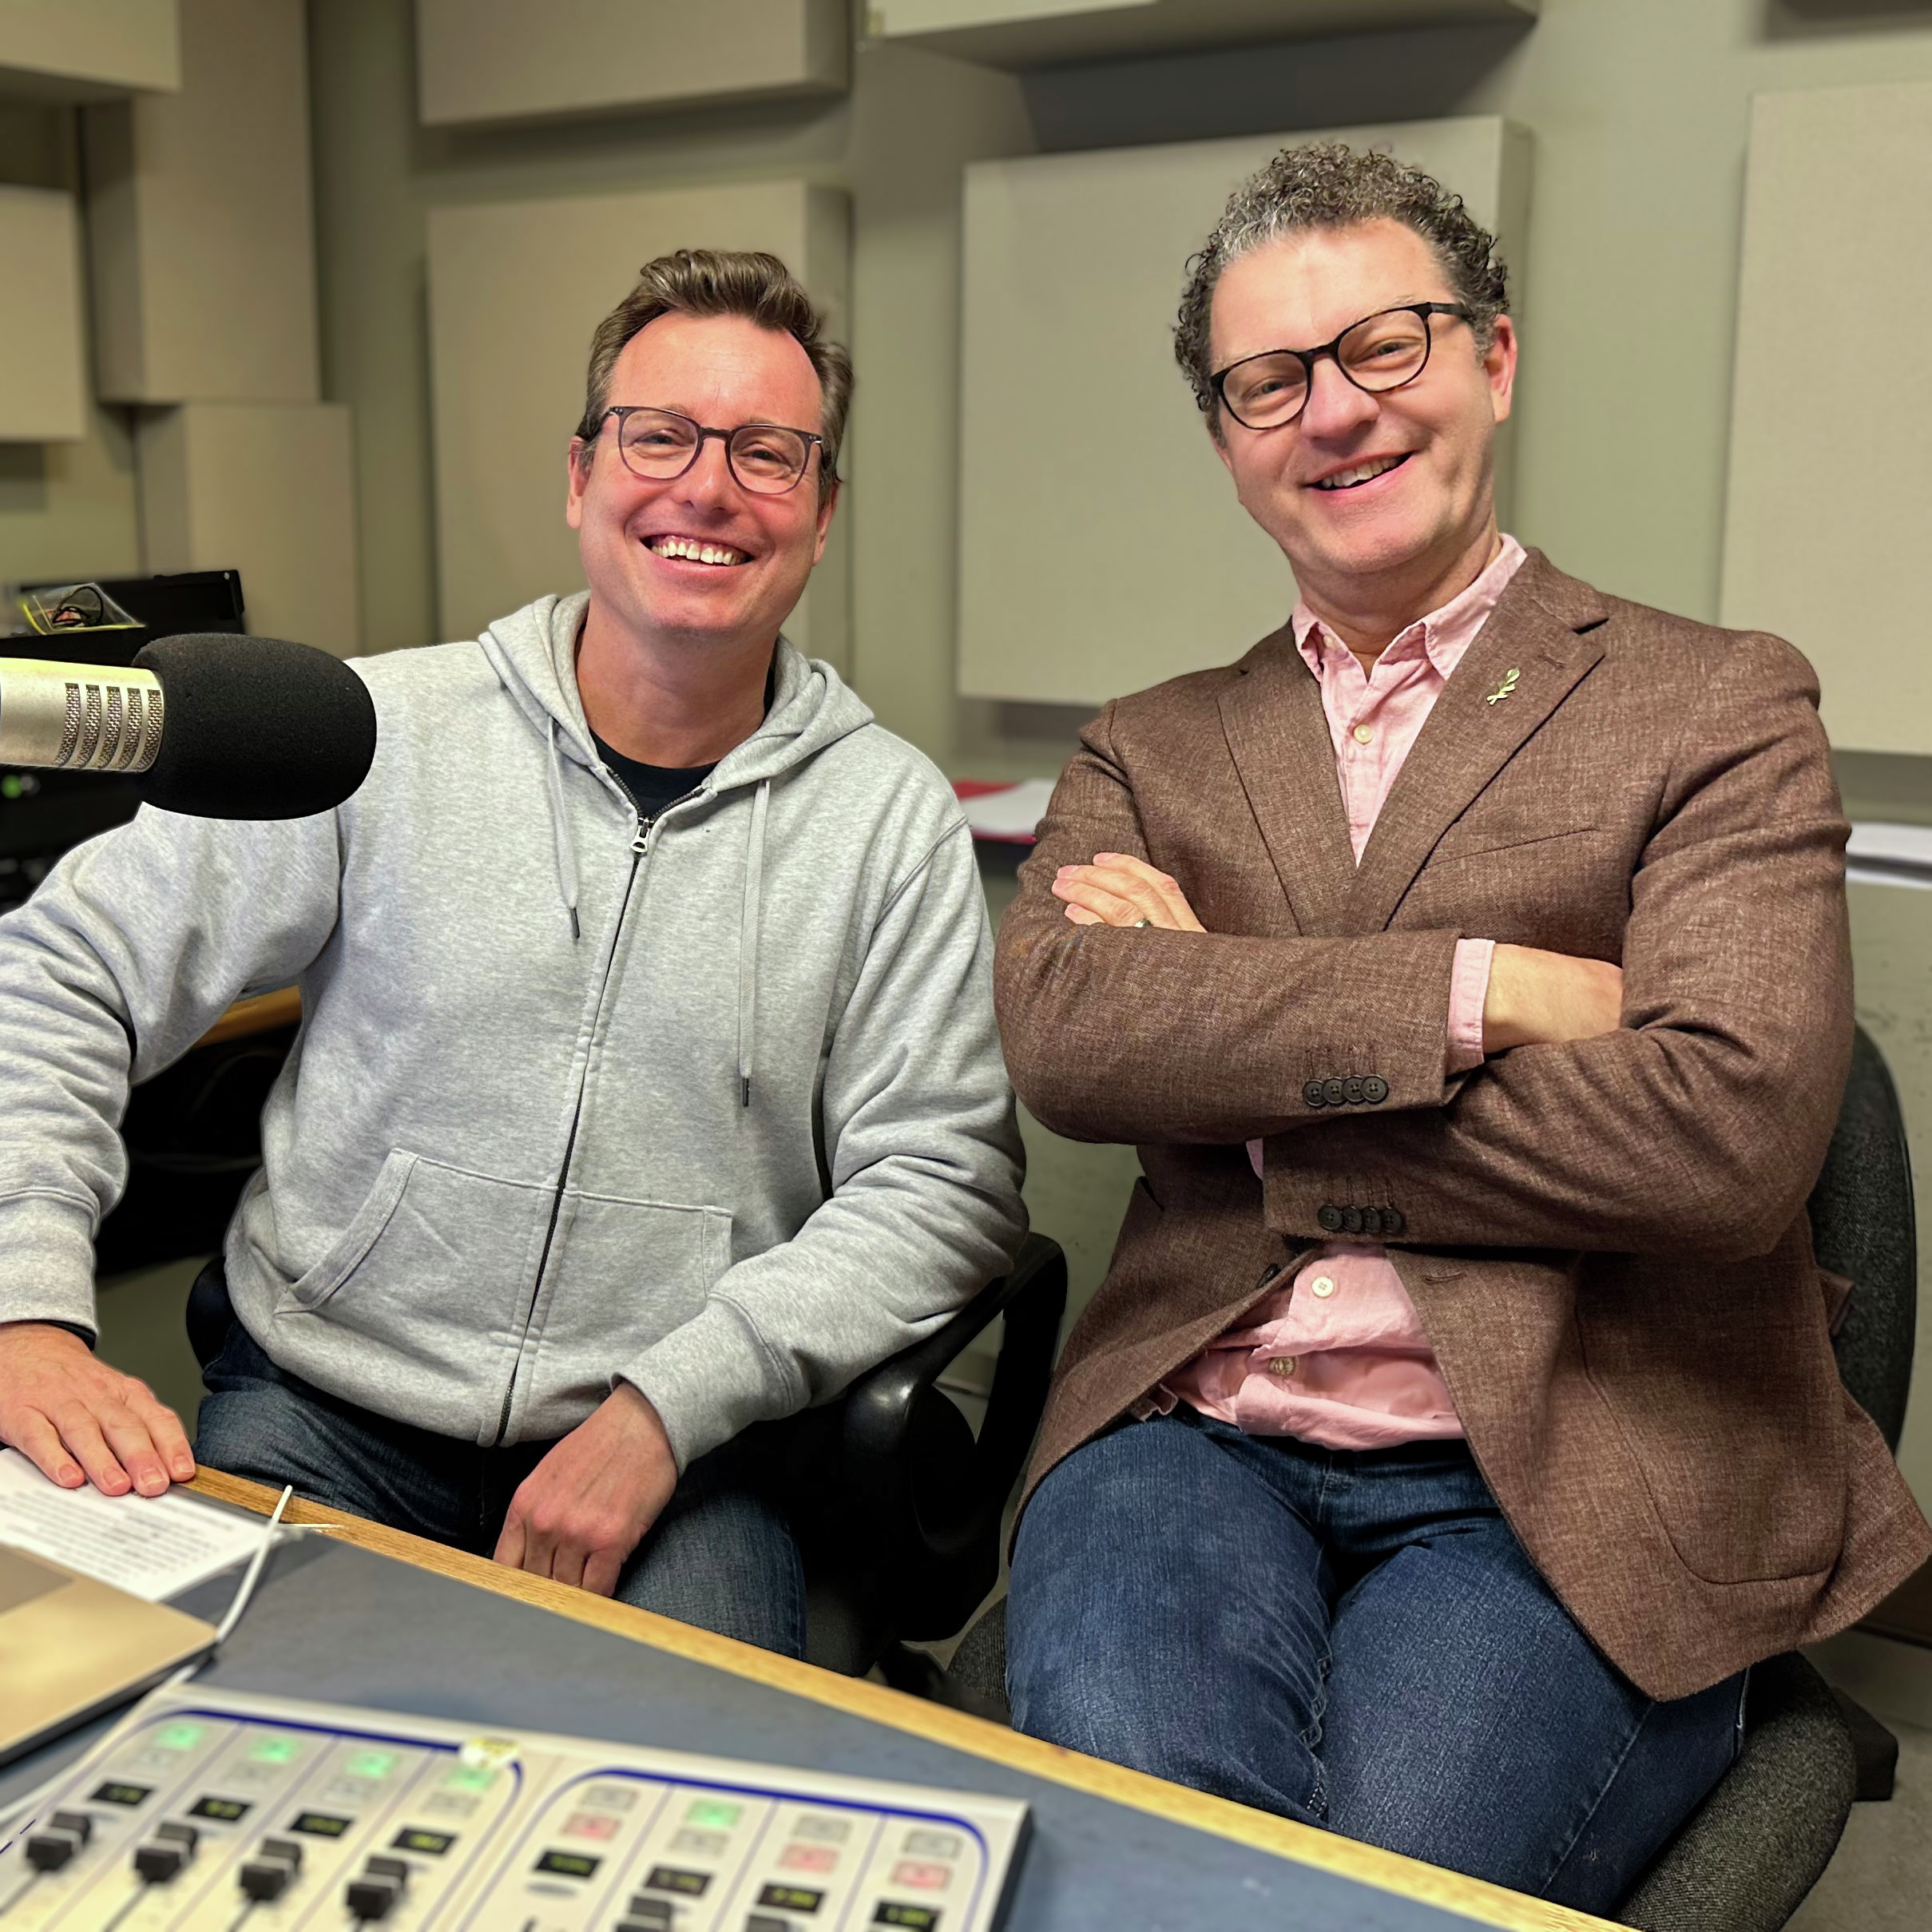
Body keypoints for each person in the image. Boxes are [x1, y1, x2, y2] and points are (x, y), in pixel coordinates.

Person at [993, 145, 1930, 1912]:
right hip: (1192, 1429)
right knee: (1150, 1830)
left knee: (1380, 1885)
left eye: (1385, 345)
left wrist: (1243, 1064)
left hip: (1575, 1454)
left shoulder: (1717, 704)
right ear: (1225, 438)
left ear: (1493, 355)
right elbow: (1066, 1039)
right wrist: (1487, 990)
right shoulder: (1150, 744)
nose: (1334, 410)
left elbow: (1723, 1139)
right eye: (1270, 380)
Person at [0, 248, 1026, 1658]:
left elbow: (945, 1177)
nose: (706, 487)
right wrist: (24, 1310)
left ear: (822, 510)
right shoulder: (373, 735)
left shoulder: (885, 819)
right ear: (581, 474)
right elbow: (56, 973)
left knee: (670, 1779)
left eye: (766, 452)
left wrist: (670, 1406)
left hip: (680, 1455)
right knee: (196, 1730)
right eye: (659, 436)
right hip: (325, 1406)